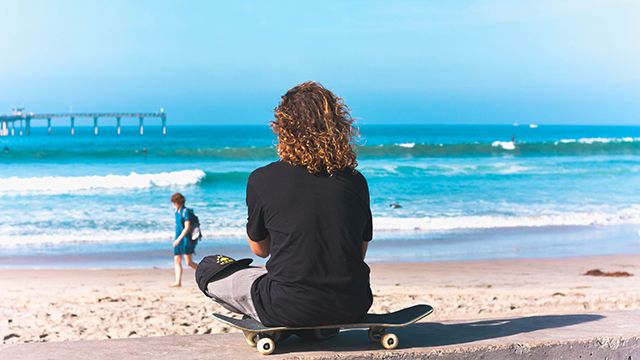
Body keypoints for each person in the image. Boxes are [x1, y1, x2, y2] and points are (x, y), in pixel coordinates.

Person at [199, 81, 373, 327]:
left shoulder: (262, 179)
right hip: (352, 304)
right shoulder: (356, 181)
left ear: (283, 129)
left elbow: (261, 251)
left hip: (287, 307)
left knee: (208, 268)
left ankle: (271, 315)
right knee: (277, 279)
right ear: (337, 127)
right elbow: (358, 252)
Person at [170, 192, 198, 287]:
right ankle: (178, 282)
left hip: (186, 239)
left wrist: (178, 239)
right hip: (178, 237)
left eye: (175, 202)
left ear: (179, 202)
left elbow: (187, 227)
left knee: (189, 262)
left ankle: (205, 272)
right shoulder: (176, 212)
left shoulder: (186, 212)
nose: (173, 204)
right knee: (177, 259)